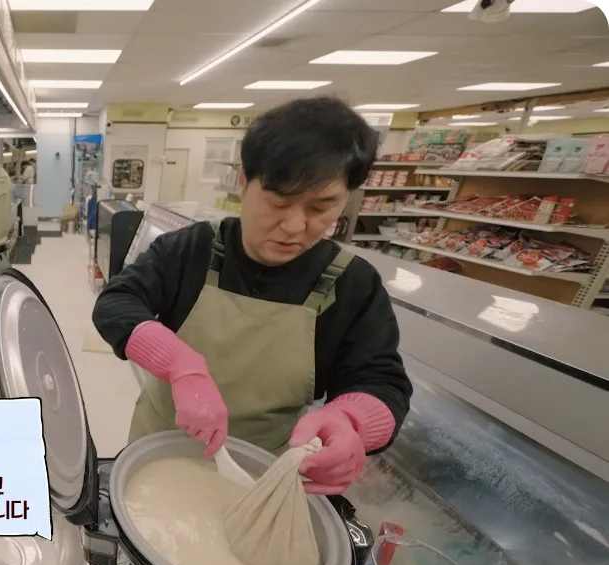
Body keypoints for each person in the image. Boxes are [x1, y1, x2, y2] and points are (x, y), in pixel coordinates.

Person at [92, 96, 412, 496]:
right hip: (159, 447)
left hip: (261, 474)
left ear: (346, 197)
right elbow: (116, 301)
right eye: (278, 202)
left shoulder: (352, 284)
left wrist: (351, 422)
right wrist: (180, 366)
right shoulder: (193, 248)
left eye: (321, 207)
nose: (294, 226)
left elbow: (382, 381)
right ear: (244, 182)